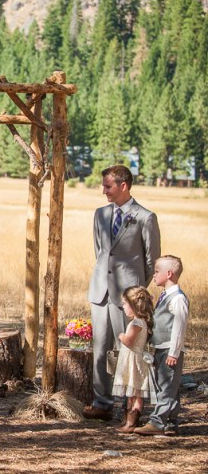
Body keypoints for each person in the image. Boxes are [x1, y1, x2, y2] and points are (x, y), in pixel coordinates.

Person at [83, 164, 161, 421]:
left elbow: (151, 261)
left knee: (128, 350)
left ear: (123, 186)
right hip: (100, 292)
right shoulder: (100, 214)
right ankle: (102, 403)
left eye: (108, 186)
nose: (103, 190)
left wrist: (135, 292)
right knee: (100, 348)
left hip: (127, 296)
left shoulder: (145, 217)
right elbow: (100, 251)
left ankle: (131, 406)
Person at [135, 255, 189, 436]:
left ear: (169, 273)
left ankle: (157, 422)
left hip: (169, 349)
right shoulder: (165, 296)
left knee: (166, 386)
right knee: (168, 386)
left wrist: (173, 353)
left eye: (157, 271)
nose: (154, 275)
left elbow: (179, 327)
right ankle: (171, 422)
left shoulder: (178, 298)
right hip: (161, 347)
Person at [112, 286, 155, 433]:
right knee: (131, 393)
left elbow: (129, 341)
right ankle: (127, 420)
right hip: (130, 359)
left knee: (136, 392)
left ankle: (132, 422)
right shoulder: (139, 321)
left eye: (125, 303)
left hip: (134, 361)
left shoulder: (136, 323)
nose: (123, 306)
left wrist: (121, 336)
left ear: (134, 305)